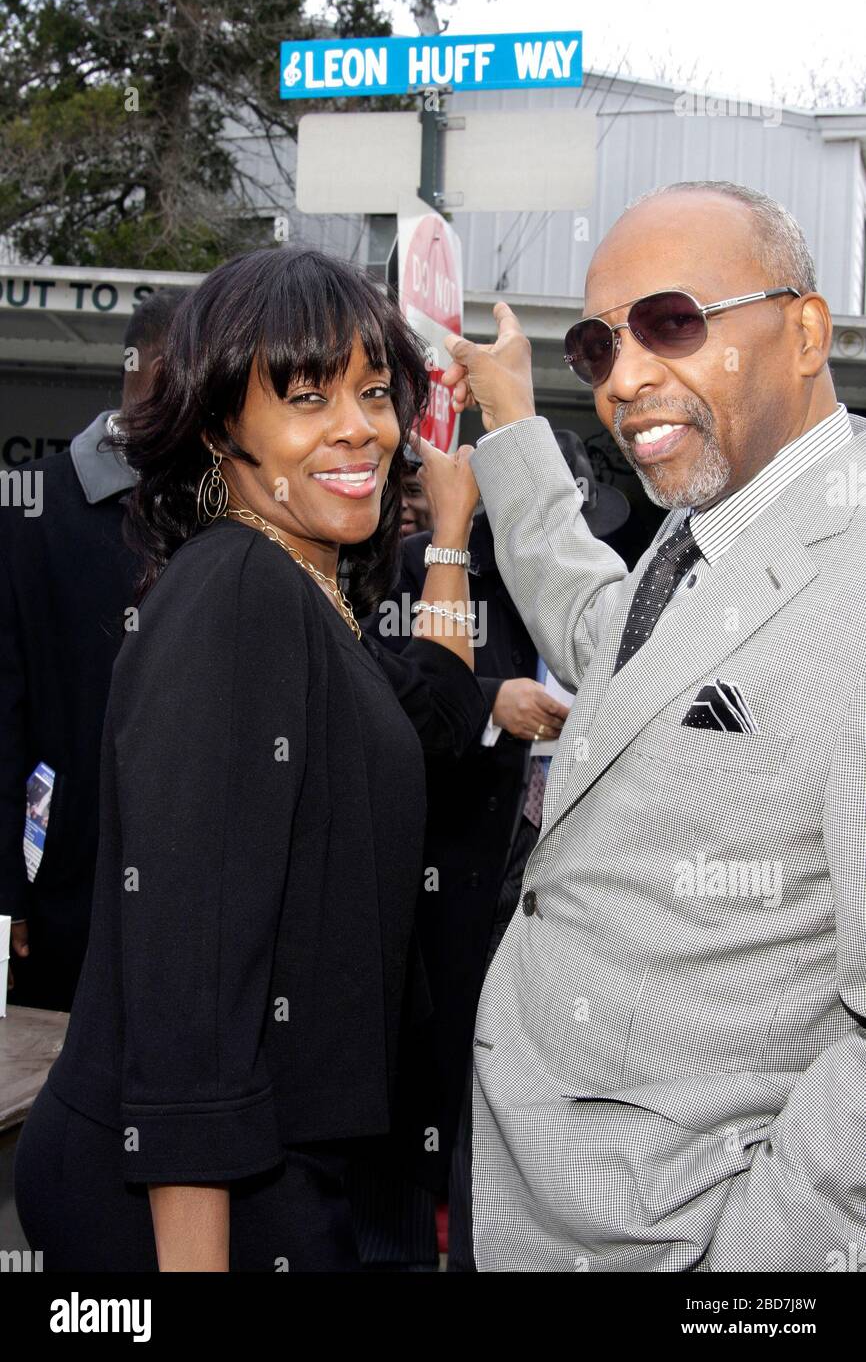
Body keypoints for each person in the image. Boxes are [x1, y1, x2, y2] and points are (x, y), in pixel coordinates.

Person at [13, 246, 486, 1273]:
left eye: (372, 392)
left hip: (277, 1171)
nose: (357, 427)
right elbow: (191, 981)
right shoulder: (239, 596)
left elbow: (429, 712)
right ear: (221, 424)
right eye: (305, 398)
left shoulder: (297, 585)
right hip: (195, 1201)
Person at [442, 180, 866, 1272]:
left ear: (804, 331)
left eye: (670, 323)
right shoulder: (706, 520)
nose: (624, 378)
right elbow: (616, 651)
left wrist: (748, 1265)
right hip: (528, 1205)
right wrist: (516, 427)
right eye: (595, 346)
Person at [351, 429, 630, 1271]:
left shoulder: (611, 598)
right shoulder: (417, 571)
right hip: (450, 897)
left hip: (568, 907)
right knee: (424, 1104)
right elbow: (383, 697)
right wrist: (483, 702)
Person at [1, 288, 187, 1011]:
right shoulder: (30, 509)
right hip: (65, 896)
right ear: (139, 371)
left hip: (199, 906)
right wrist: (6, 890)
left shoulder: (230, 511)